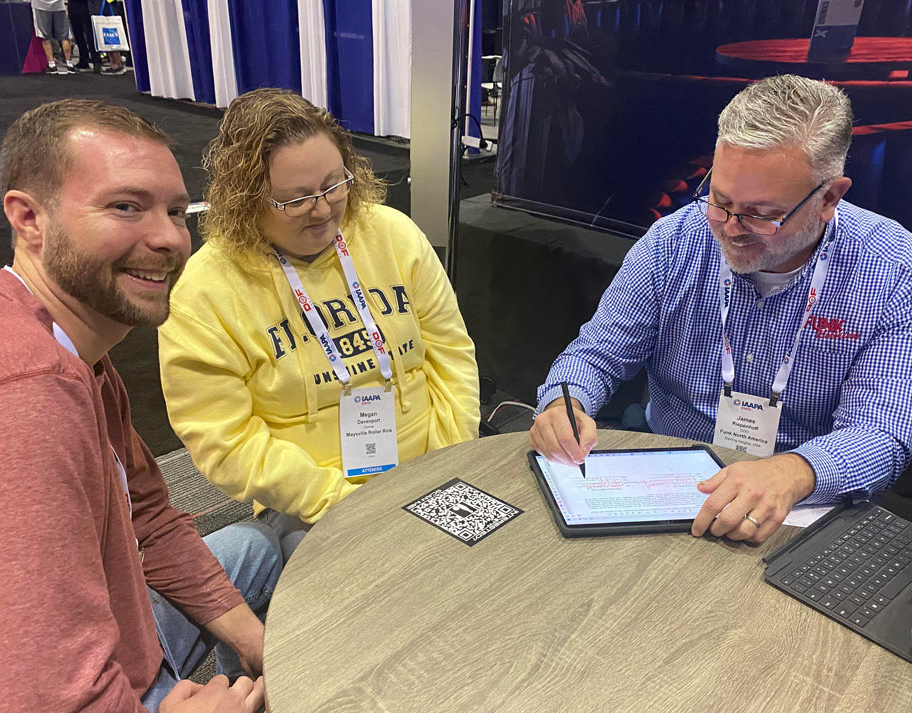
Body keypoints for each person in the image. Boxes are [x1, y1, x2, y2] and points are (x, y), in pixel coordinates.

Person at [0, 99, 283, 712]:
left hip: (114, 621)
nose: (167, 238)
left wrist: (256, 643)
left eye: (174, 211)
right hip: (79, 686)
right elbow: (34, 699)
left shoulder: (78, 349)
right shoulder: (26, 397)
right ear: (29, 218)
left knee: (255, 548)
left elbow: (152, 520)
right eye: (125, 207)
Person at [530, 74, 912, 545]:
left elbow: (882, 432)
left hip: (796, 503)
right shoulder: (675, 242)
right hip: (666, 475)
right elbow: (595, 355)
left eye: (761, 214)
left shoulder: (892, 269)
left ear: (829, 198)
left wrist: (793, 473)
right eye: (720, 201)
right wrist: (563, 401)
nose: (731, 229)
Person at [158, 88, 480, 543]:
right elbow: (225, 442)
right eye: (297, 199)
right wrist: (340, 501)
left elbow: (452, 355)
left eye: (333, 184)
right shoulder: (205, 293)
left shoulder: (392, 235)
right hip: (312, 503)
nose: (325, 208)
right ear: (247, 198)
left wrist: (448, 464)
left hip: (432, 465)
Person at [31, 0, 76, 75]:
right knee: (64, 36)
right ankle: (70, 64)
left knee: (45, 36)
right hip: (58, 6)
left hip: (40, 5)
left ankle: (52, 65)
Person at [67, 0, 98, 71]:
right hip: (73, 6)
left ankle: (96, 60)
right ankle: (84, 59)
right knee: (78, 34)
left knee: (89, 34)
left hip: (85, 5)